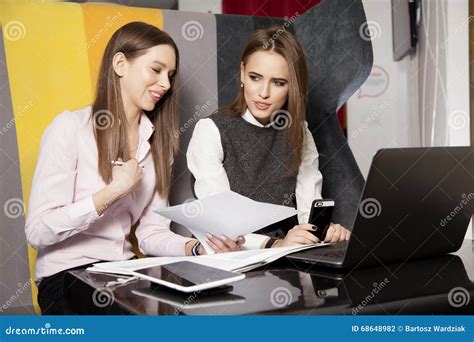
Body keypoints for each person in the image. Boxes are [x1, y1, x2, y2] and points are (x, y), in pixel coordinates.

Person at [25, 22, 242, 315]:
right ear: (120, 64)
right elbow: (38, 232)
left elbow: (151, 234)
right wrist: (113, 192)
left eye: (170, 75)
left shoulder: (156, 148)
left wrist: (197, 248)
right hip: (68, 276)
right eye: (156, 69)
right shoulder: (69, 128)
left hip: (125, 273)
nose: (165, 83)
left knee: (206, 311)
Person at [187, 27, 351, 252]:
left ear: (292, 86)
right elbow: (222, 225)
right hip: (231, 260)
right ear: (243, 73)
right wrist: (275, 244)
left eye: (278, 82)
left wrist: (324, 231)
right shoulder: (210, 130)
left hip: (287, 258)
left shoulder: (300, 133)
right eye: (255, 78)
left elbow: (308, 214)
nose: (263, 93)